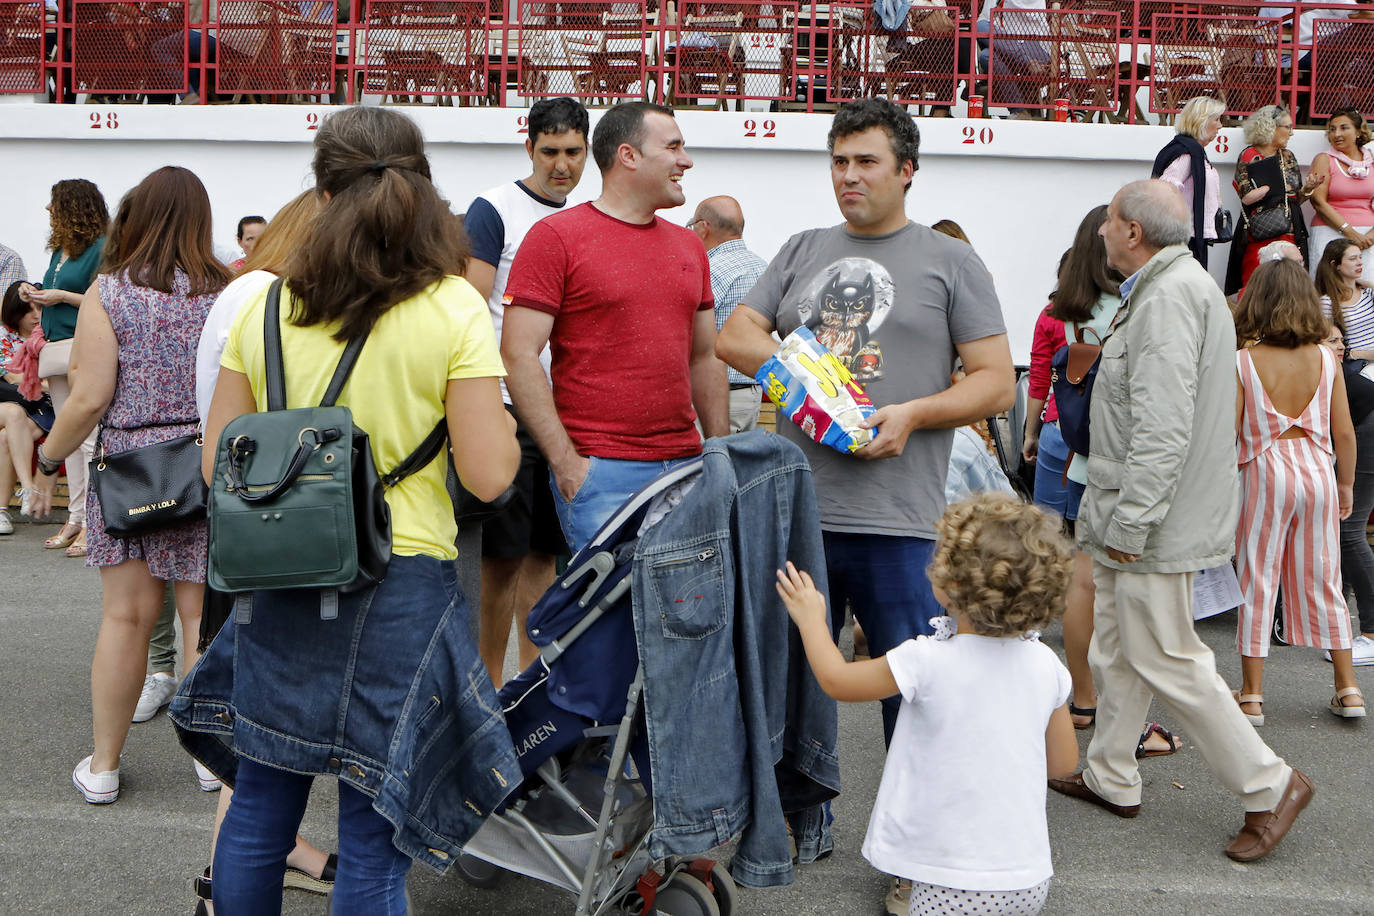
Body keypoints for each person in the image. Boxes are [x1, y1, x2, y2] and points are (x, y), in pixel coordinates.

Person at [171, 107, 521, 914]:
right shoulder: (453, 309)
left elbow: (217, 457)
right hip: (402, 577)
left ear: (321, 195)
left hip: (282, 575)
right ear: (419, 190)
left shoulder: (266, 305)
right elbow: (492, 474)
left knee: (261, 803)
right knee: (372, 831)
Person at [715, 97, 1014, 912]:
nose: (849, 176)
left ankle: (915, 854)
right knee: (790, 680)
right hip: (798, 513)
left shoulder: (949, 264)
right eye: (839, 161)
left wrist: (912, 413)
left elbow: (995, 380)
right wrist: (802, 380)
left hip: (899, 519)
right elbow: (735, 336)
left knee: (910, 696)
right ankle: (795, 821)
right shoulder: (804, 248)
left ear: (907, 169)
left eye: (866, 162)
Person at [1051, 179, 1313, 865]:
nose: (1103, 230)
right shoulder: (1176, 287)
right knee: (1121, 644)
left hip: (1148, 517)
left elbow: (1161, 429)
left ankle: (1269, 784)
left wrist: (1132, 525)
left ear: (1132, 232)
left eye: (1109, 220)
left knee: (1166, 654)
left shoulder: (1166, 297)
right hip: (1140, 509)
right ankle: (1112, 773)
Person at [27, 166, 231, 803]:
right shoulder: (229, 291)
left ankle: (106, 767)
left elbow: (88, 398)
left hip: (134, 467)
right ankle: (209, 762)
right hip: (207, 462)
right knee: (202, 617)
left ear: (134, 217)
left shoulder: (109, 293)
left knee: (126, 618)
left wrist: (46, 457)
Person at [776, 493, 1079, 916]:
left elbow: (837, 680)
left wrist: (811, 620)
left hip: (948, 878)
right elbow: (1063, 762)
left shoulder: (927, 660)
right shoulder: (1046, 664)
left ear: (948, 586)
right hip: (1025, 877)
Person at [501, 101, 728, 553]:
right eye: (674, 147)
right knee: (609, 621)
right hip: (599, 473)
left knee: (685, 618)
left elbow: (705, 357)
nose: (686, 160)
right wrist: (566, 463)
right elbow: (517, 354)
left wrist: (719, 456)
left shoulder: (689, 246)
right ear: (629, 156)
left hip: (686, 468)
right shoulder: (556, 238)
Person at [464, 96, 588, 685]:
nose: (561, 164)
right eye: (550, 151)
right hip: (506, 406)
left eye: (573, 151)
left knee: (544, 558)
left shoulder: (588, 214)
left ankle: (530, 688)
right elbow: (467, 308)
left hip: (563, 408)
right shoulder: (494, 209)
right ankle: (488, 690)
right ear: (529, 146)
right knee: (500, 561)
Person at [1231, 258, 1363, 723]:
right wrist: (1345, 482)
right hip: (1318, 471)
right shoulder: (1326, 359)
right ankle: (1348, 688)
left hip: (1264, 472)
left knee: (1257, 576)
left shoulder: (1243, 362)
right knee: (1325, 576)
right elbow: (1344, 432)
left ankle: (1252, 694)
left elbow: (1230, 432)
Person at [28, 178, 108, 557]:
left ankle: (93, 522)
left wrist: (60, 296)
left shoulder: (101, 248)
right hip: (57, 347)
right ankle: (76, 517)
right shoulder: (60, 248)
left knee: (88, 439)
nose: (48, 209)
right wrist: (36, 295)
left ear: (73, 207)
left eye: (54, 202)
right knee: (68, 438)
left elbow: (103, 297)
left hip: (83, 345)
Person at [1317, 240, 1374, 666]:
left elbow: (1349, 437)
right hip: (1360, 414)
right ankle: (1351, 627)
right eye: (1352, 259)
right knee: (1347, 532)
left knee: (1351, 531)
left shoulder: (1368, 296)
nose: (1360, 264)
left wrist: (1350, 353)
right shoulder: (1324, 302)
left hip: (1365, 425)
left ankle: (1370, 631)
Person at [689, 194, 768, 433]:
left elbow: (689, 331)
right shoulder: (763, 267)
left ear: (704, 227)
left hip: (718, 397)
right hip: (753, 393)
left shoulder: (710, 270)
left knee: (708, 467)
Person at [1226, 105, 1325, 295]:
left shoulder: (1288, 157)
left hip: (1290, 230)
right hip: (1261, 233)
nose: (1291, 133)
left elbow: (1295, 199)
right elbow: (1246, 197)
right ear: (1271, 127)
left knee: (1292, 288)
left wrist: (1308, 189)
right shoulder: (1249, 155)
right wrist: (1269, 187)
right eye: (1287, 127)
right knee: (1257, 286)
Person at [0, 281, 55, 533]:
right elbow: (12, 377)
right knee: (13, 412)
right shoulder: (4, 338)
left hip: (40, 408)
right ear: (16, 311)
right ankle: (27, 488)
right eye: (28, 309)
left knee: (4, 438)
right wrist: (45, 383)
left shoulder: (48, 336)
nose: (36, 315)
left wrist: (41, 384)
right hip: (12, 403)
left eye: (39, 308)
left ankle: (1, 512)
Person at [1151, 95, 1225, 269]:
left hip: (1191, 236)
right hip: (1184, 239)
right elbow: (1162, 191)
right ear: (1202, 122)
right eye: (1217, 119)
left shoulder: (1194, 151)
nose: (1221, 125)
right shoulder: (1187, 153)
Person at [1307, 108, 1374, 280]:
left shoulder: (1371, 161)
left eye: (1344, 128)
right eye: (1332, 129)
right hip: (1330, 233)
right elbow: (1318, 202)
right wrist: (1350, 233)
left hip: (1368, 239)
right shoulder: (1324, 159)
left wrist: (1369, 237)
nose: (1337, 134)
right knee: (1329, 292)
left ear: (1359, 132)